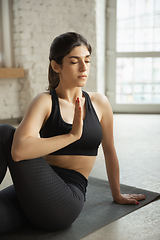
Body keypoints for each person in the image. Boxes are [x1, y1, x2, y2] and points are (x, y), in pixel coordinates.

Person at [0, 32, 145, 234]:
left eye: (87, 61)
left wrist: (117, 194)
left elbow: (110, 150)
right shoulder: (44, 102)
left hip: (65, 200)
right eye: (74, 61)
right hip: (35, 188)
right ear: (56, 66)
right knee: (6, 133)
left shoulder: (99, 103)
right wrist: (71, 135)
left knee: (5, 131)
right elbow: (20, 150)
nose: (84, 68)